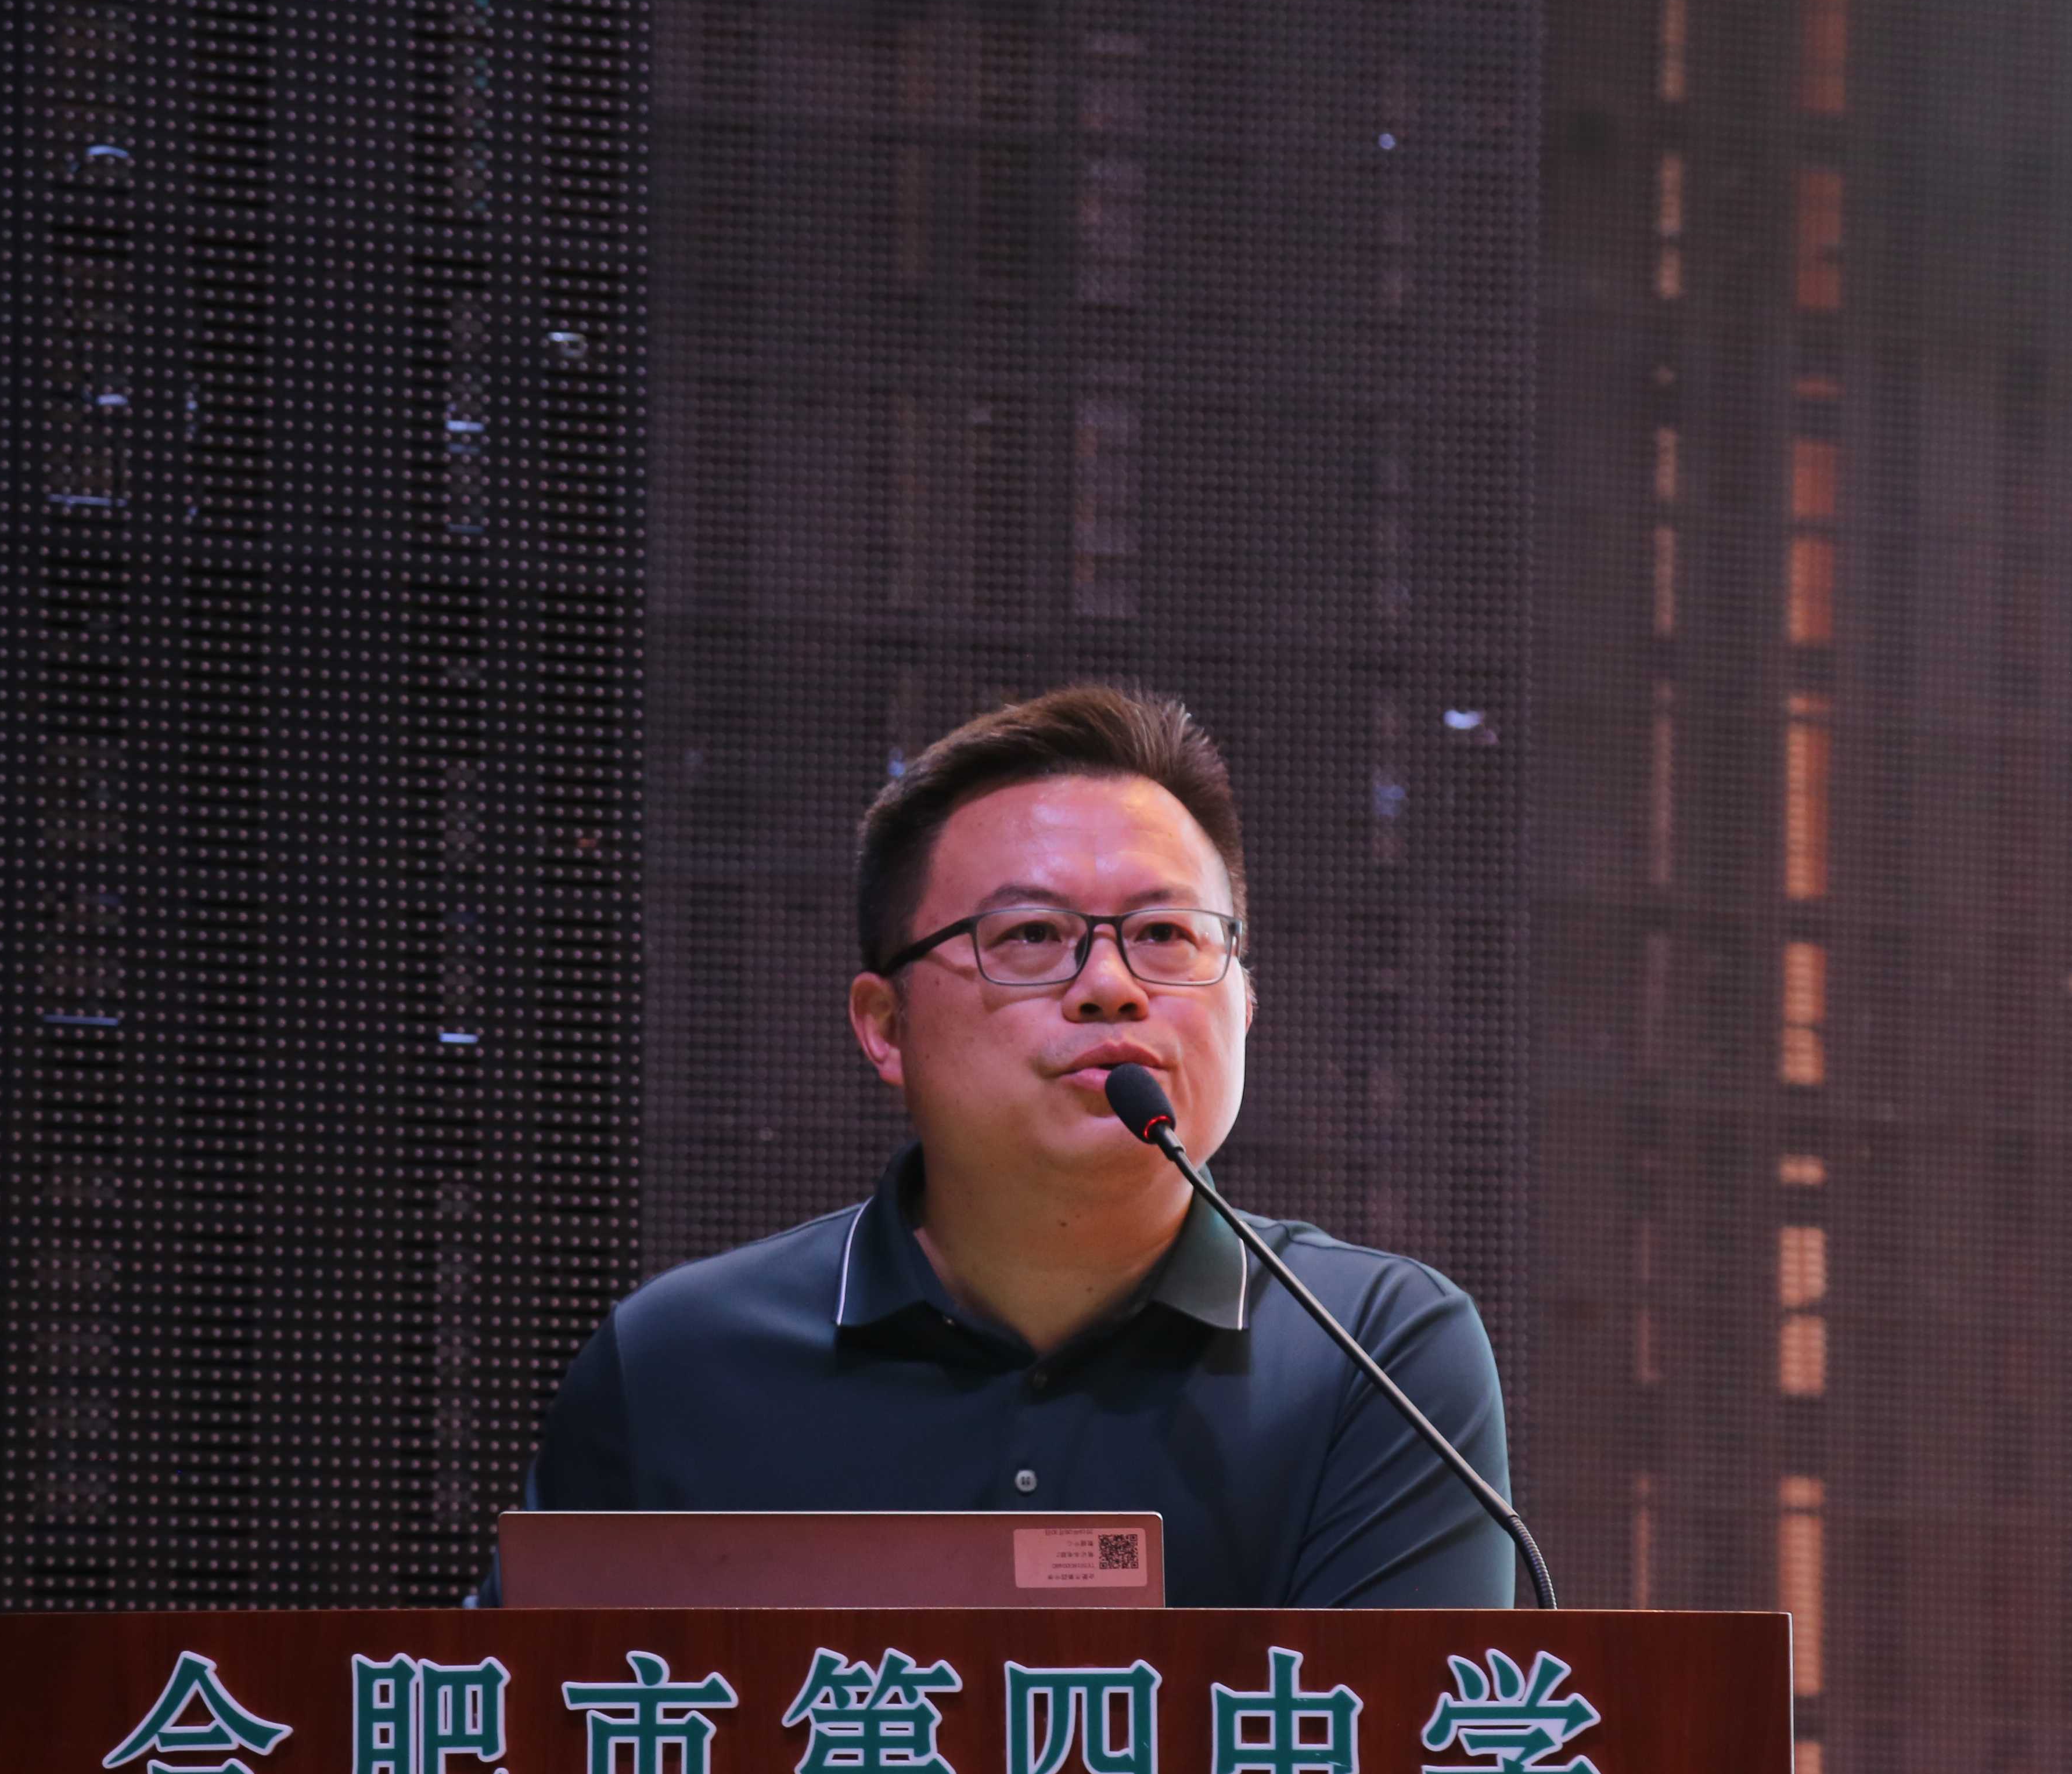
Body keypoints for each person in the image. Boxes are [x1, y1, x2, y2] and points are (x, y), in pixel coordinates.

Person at [501, 684, 1511, 1607]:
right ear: (885, 1026)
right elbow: (510, 1729)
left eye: (1166, 935)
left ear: (1244, 1003)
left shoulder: (1375, 1356)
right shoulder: (679, 1362)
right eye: (1031, 935)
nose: (1111, 986)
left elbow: (1394, 1746)